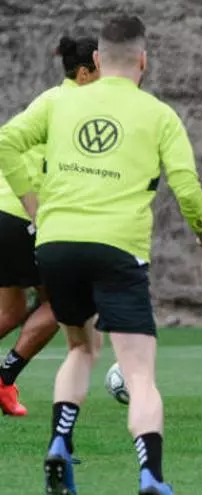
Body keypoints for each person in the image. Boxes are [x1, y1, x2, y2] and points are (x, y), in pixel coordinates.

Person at [0, 15, 202, 495]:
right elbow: (186, 187)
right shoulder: (159, 114)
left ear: (98, 59)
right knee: (139, 372)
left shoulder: (59, 101)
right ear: (143, 60)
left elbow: (5, 142)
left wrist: (34, 202)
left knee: (80, 348)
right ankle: (151, 476)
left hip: (56, 244)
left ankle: (59, 443)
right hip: (118, 248)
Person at [0, 35, 100, 417]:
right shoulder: (78, 106)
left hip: (4, 211)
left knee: (10, 311)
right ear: (85, 72)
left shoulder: (51, 99)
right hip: (25, 217)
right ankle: (4, 379)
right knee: (60, 302)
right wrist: (34, 205)